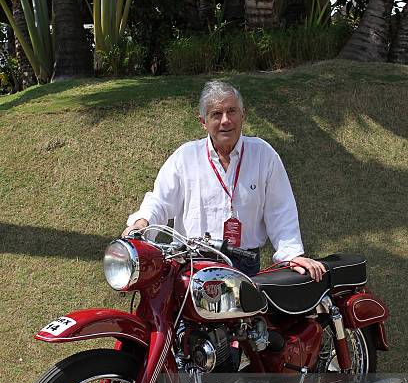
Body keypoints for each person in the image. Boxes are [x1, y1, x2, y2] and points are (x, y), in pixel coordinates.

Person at [123, 80, 325, 280]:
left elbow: (281, 210)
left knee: (250, 314)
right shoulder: (185, 157)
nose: (225, 120)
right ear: (203, 121)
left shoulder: (264, 154)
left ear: (243, 115)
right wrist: (141, 224)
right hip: (191, 263)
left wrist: (292, 255)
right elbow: (160, 201)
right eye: (216, 114)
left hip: (245, 264)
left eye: (232, 111)